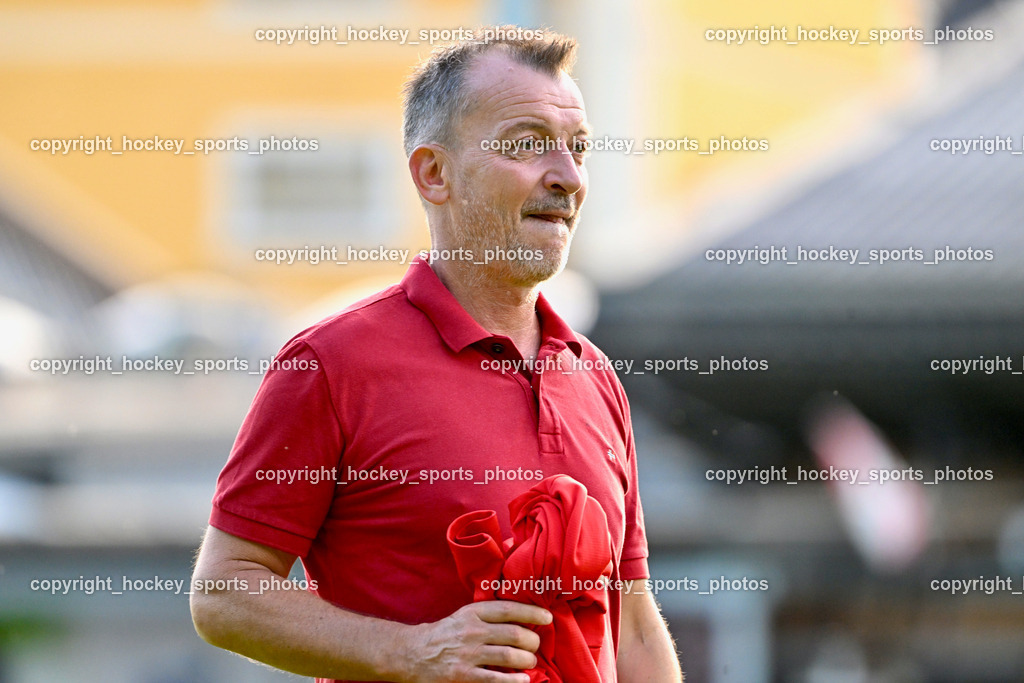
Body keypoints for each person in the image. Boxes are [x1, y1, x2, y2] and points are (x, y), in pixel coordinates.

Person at [190, 25, 683, 683]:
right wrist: (414, 652)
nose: (568, 177)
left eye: (579, 149)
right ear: (434, 173)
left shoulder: (593, 375)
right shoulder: (330, 363)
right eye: (529, 145)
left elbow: (630, 622)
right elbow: (225, 592)